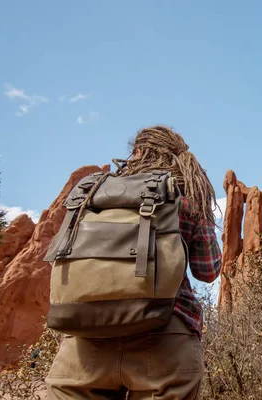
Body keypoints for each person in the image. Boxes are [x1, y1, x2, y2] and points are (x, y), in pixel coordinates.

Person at [45, 126, 222, 400]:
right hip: (165, 341)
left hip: (84, 342)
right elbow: (208, 271)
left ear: (137, 153)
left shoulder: (92, 198)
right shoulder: (184, 199)